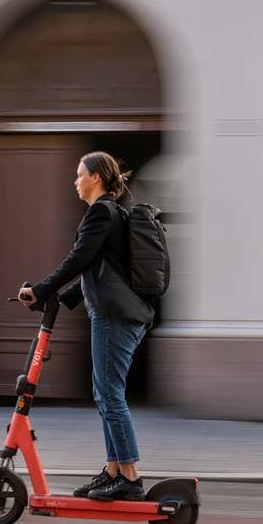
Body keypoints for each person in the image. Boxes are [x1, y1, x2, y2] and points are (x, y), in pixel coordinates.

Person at [17, 151, 154, 501]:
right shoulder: (114, 213)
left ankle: (130, 477)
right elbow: (103, 269)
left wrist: (41, 289)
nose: (75, 181)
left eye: (79, 174)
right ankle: (113, 471)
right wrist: (62, 298)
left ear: (95, 177)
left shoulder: (101, 212)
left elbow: (78, 258)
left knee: (110, 394)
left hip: (114, 317)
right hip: (119, 314)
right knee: (105, 393)